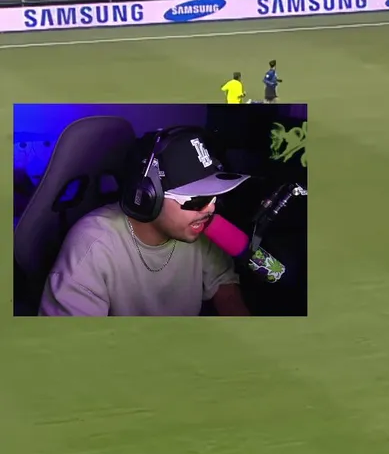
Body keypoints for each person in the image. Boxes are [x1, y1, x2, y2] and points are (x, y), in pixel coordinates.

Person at [39, 127, 252, 316]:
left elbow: (225, 287)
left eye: (215, 196)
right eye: (197, 200)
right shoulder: (92, 246)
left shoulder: (201, 227)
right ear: (148, 196)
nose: (211, 209)